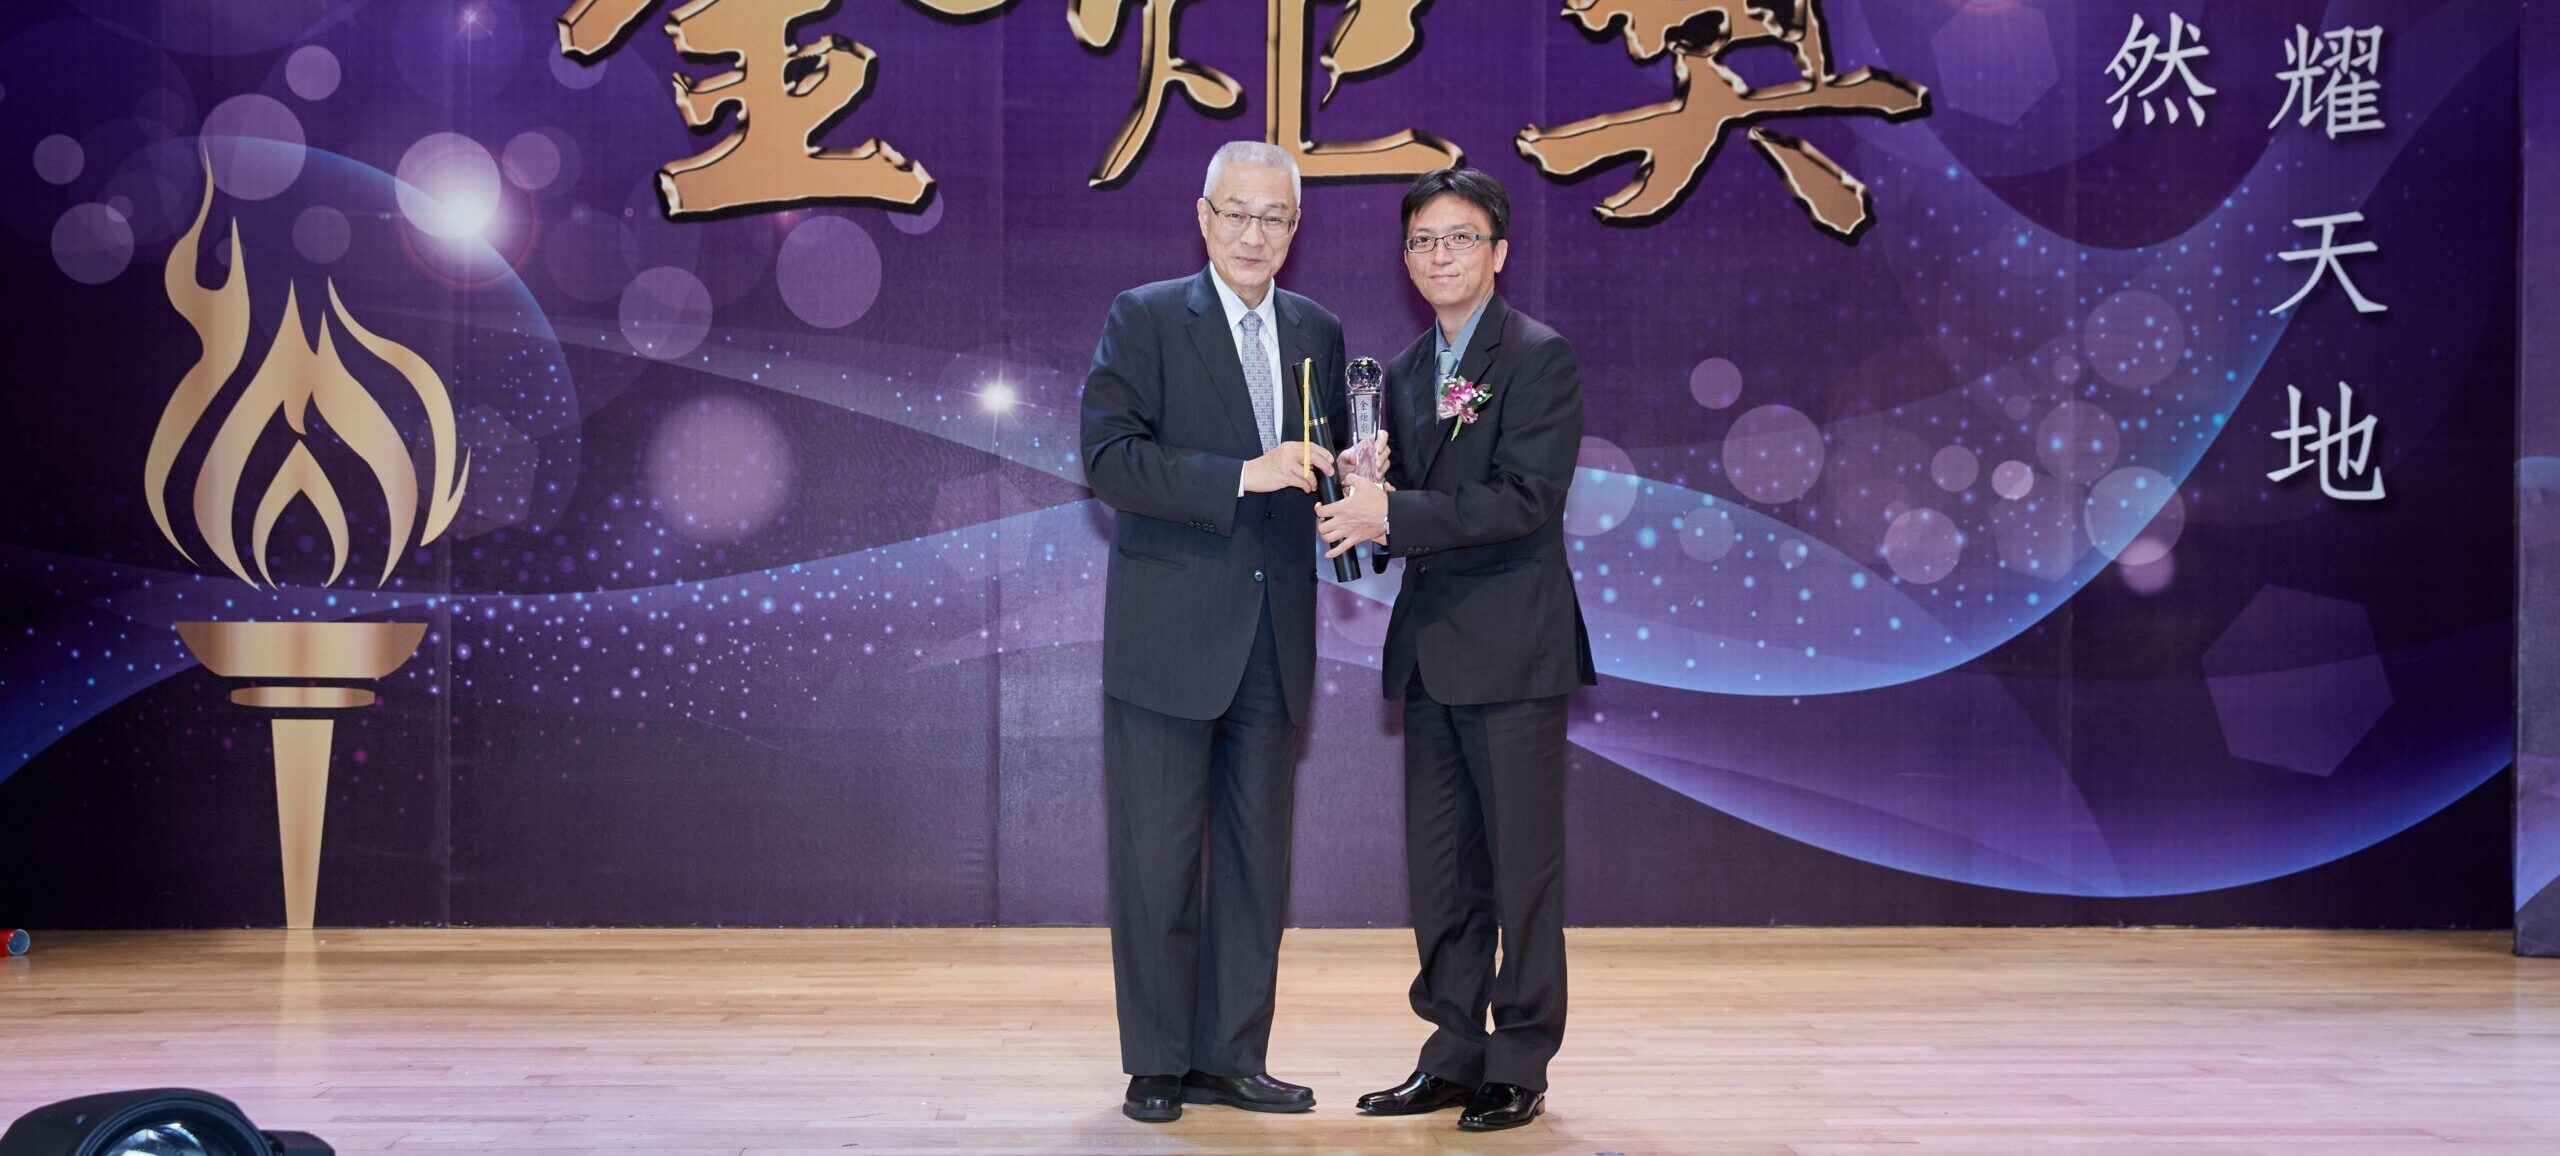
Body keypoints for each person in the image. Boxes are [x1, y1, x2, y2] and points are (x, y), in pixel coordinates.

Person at [1316, 166, 1596, 1133]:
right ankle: (1451, 1052)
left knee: (1522, 874)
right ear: (1406, 259)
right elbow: (1404, 508)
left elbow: (1526, 499)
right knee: (1442, 876)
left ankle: (1520, 1059)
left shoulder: (1539, 358)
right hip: (1432, 653)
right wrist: (1363, 489)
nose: (1442, 255)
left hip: (1514, 652)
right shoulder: (1398, 375)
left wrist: (1393, 512)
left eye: (1461, 237)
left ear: (1499, 252)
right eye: (1424, 241)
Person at [1078, 140, 1347, 1123]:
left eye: (1273, 217)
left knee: (1253, 863)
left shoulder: (1317, 329)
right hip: (1168, 636)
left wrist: (1361, 472)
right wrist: (1241, 473)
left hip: (1275, 638)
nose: (1253, 234)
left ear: (1295, 228)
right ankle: (1157, 1061)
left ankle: (1231, 1057)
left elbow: (1324, 465)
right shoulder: (1146, 316)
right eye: (1236, 213)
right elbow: (1109, 460)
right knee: (1155, 863)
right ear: (1203, 218)